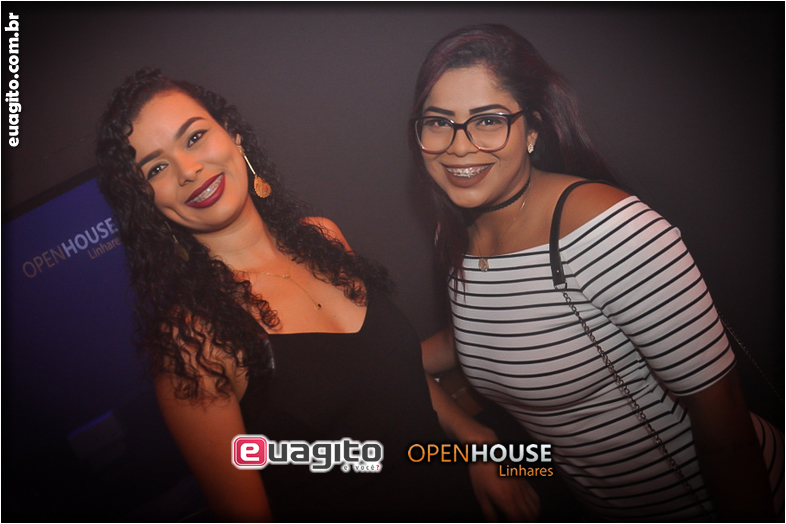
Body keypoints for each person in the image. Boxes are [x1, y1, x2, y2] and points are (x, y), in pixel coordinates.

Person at [409, 24, 783, 521]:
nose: (459, 146)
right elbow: (492, 329)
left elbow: (724, 417)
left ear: (532, 130)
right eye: (439, 122)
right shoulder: (454, 232)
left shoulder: (608, 230)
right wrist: (477, 446)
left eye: (489, 120)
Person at [95, 68, 487, 522]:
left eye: (195, 137)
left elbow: (395, 380)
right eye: (157, 168)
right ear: (146, 202)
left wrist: (473, 441)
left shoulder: (322, 237)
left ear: (233, 135)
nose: (188, 170)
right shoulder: (191, 342)